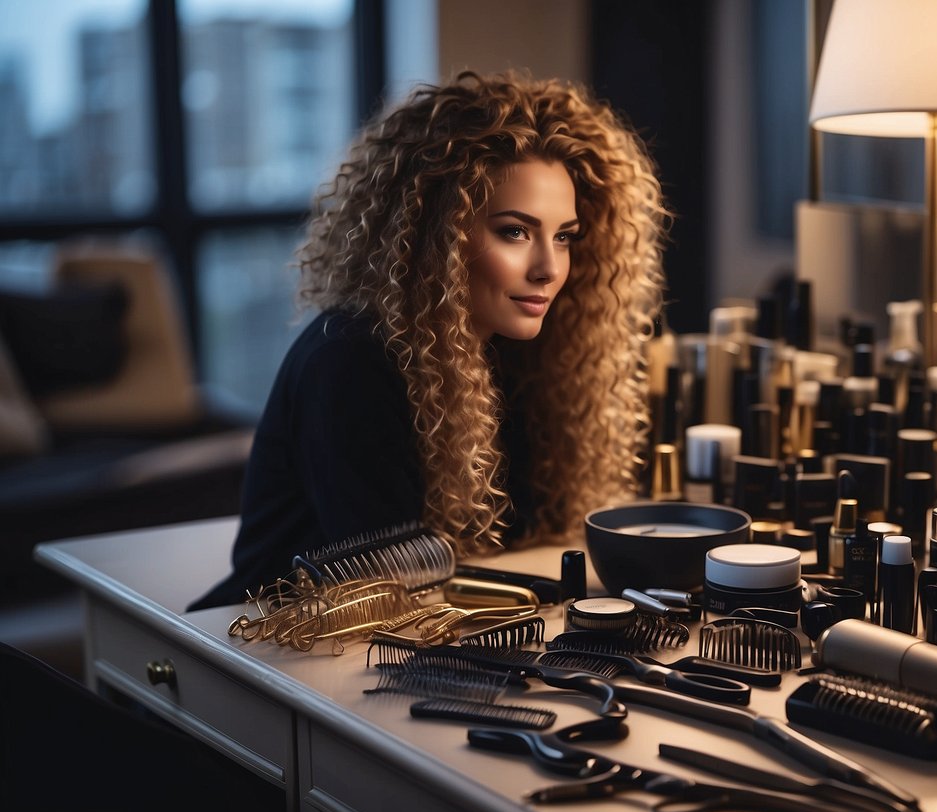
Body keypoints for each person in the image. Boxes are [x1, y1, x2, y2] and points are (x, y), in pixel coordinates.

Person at [189, 71, 669, 610]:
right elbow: (395, 578)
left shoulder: (521, 351)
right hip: (264, 646)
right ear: (435, 232)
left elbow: (516, 538)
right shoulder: (350, 363)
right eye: (514, 231)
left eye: (564, 236)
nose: (549, 268)